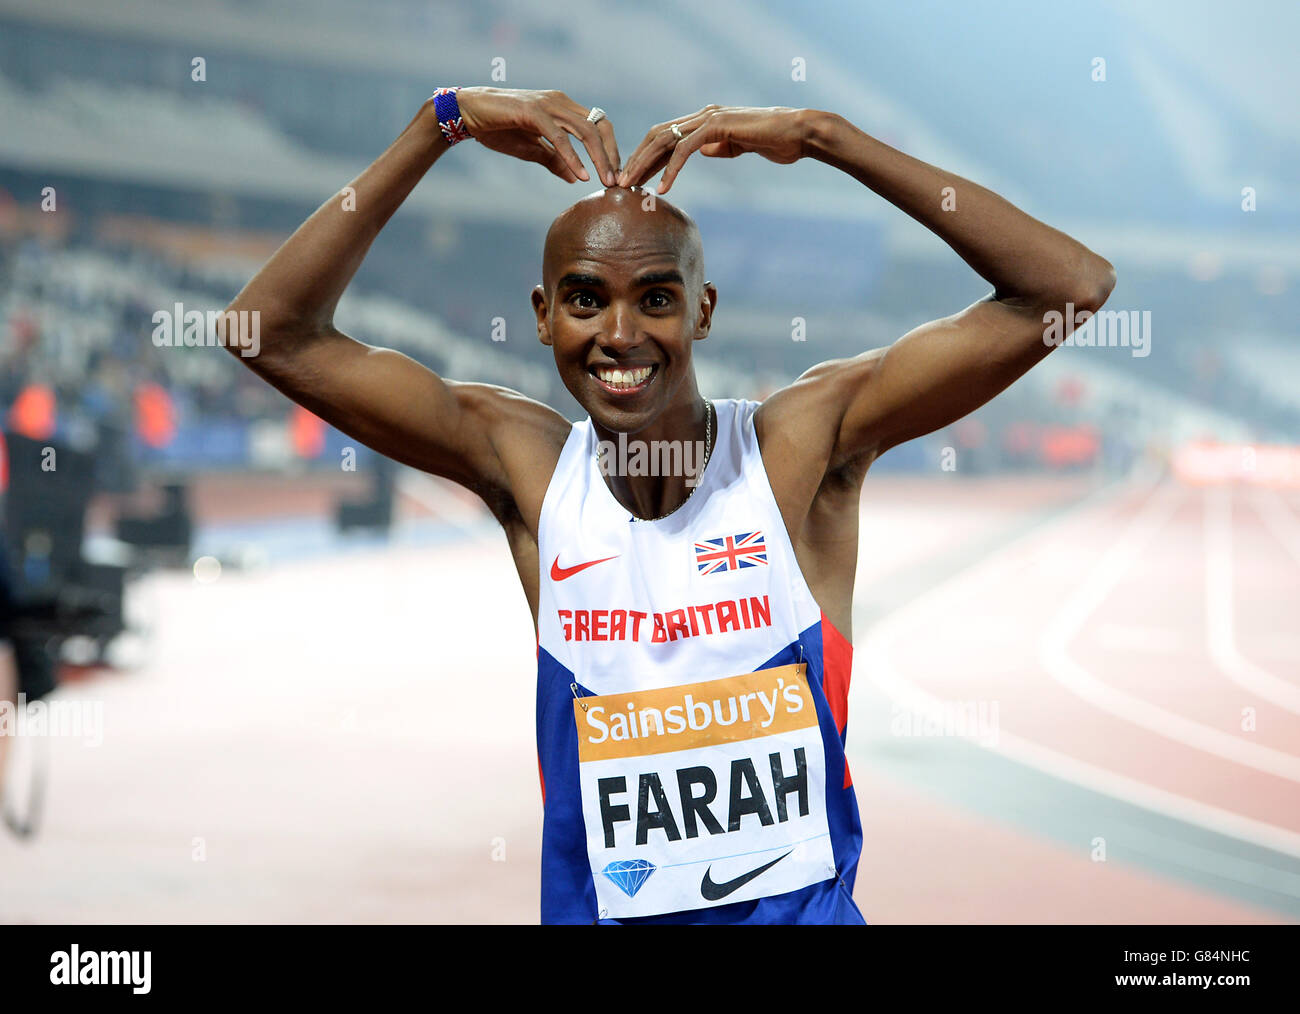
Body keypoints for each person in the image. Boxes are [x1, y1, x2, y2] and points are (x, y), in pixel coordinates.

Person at [223, 86, 1115, 923]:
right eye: (585, 300)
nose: (619, 335)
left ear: (703, 310)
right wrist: (438, 124)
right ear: (542, 316)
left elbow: (1068, 286)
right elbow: (265, 333)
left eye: (656, 298)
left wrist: (825, 139)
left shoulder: (796, 451)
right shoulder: (526, 467)